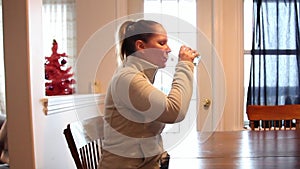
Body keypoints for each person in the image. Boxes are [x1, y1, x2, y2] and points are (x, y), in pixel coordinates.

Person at [99, 19, 199, 169]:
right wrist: (185, 65)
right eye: (161, 43)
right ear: (141, 46)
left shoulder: (137, 76)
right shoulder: (128, 79)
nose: (169, 49)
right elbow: (174, 112)